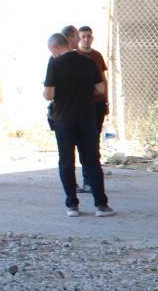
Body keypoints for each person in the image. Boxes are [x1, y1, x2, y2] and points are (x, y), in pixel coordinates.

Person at [43, 33, 113, 217]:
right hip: (86, 118)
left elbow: (48, 95)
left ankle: (72, 205)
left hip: (63, 119)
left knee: (66, 161)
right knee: (91, 160)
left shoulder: (54, 64)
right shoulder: (88, 61)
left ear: (56, 48)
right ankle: (101, 205)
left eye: (52, 51)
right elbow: (101, 88)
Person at [75, 25, 109, 194]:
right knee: (83, 141)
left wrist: (106, 101)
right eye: (83, 36)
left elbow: (103, 79)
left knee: (94, 139)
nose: (86, 39)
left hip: (97, 103)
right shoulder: (75, 56)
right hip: (82, 105)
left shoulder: (97, 56)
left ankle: (92, 179)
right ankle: (86, 178)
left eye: (89, 36)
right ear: (78, 38)